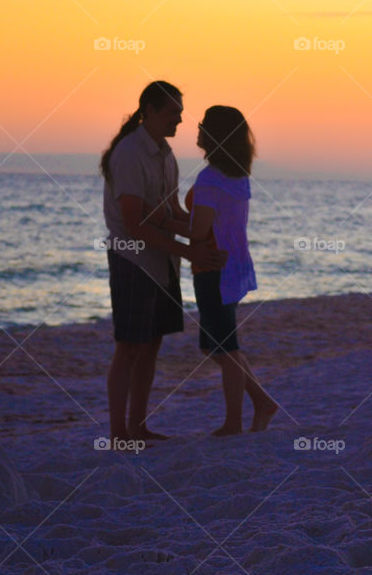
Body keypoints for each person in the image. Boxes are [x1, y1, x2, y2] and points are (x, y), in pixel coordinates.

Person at [100, 81, 227, 443]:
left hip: (163, 261)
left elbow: (168, 211)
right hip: (133, 261)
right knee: (129, 346)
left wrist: (207, 233)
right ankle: (118, 434)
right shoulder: (128, 153)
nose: (180, 121)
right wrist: (191, 251)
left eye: (181, 113)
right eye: (174, 113)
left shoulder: (165, 153)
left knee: (151, 345)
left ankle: (138, 427)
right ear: (150, 111)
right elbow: (134, 223)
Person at [186, 105, 278, 436]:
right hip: (234, 266)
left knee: (223, 348)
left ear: (214, 134)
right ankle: (262, 402)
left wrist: (164, 222)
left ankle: (234, 422)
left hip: (214, 269)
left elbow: (199, 232)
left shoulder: (210, 178)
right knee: (218, 345)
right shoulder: (238, 175)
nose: (196, 129)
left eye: (202, 124)